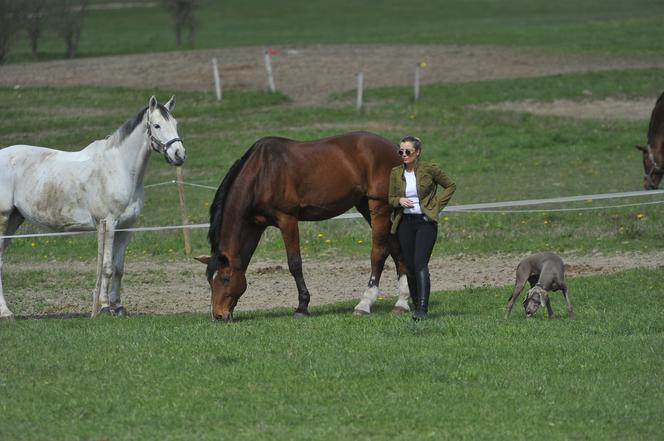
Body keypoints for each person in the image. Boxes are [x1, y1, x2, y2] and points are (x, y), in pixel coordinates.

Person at [388, 135, 456, 320]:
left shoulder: (429, 169)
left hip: (425, 222)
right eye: (400, 151)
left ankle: (423, 309)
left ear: (417, 152)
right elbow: (390, 198)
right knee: (409, 266)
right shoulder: (395, 172)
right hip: (404, 223)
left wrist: (436, 206)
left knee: (420, 264)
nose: (403, 154)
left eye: (407, 151)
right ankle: (417, 306)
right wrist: (398, 200)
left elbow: (450, 185)